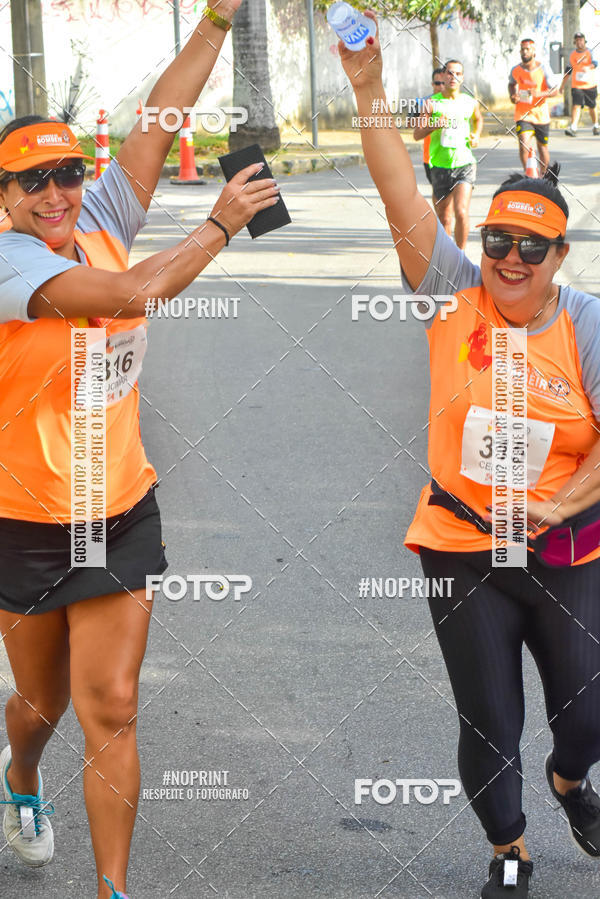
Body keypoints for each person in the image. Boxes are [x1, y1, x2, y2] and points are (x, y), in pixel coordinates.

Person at [0, 4, 280, 899]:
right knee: (41, 705)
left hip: (118, 505)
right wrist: (221, 224)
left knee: (113, 705)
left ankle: (113, 890)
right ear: (2, 195)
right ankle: (19, 775)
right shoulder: (11, 267)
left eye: (68, 173)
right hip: (27, 518)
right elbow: (125, 294)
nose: (57, 193)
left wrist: (214, 20)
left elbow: (161, 118)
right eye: (32, 179)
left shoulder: (100, 212)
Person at [340, 12, 600, 898]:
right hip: (463, 543)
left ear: (560, 255)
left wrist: (565, 504)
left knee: (586, 712)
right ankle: (510, 849)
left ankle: (571, 780)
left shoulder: (589, 324)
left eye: (532, 246)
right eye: (498, 240)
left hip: (569, 545)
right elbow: (399, 195)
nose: (511, 258)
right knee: (490, 715)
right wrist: (370, 92)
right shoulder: (453, 291)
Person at [413, 59, 482, 250]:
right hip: (439, 166)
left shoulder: (470, 102)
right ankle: (448, 258)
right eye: (450, 73)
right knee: (444, 218)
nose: (454, 77)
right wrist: (434, 125)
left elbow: (478, 119)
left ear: (462, 78)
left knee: (461, 211)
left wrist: (476, 134)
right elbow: (417, 134)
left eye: (458, 74)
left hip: (465, 164)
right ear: (443, 76)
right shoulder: (432, 103)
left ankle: (461, 258)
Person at [508, 38, 559, 174]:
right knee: (524, 143)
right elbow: (511, 84)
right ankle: (529, 175)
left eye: (527, 49)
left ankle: (543, 176)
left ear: (534, 51)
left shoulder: (543, 68)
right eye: (522, 49)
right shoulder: (516, 70)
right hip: (523, 114)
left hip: (541, 115)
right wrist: (513, 96)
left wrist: (538, 93)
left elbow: (554, 91)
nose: (524, 52)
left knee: (542, 148)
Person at [561, 31, 599, 137]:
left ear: (584, 41)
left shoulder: (590, 52)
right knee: (576, 106)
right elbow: (568, 70)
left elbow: (595, 63)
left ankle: (596, 125)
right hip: (577, 85)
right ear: (574, 42)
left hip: (590, 84)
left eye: (581, 40)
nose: (579, 43)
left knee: (592, 106)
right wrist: (562, 86)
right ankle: (573, 127)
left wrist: (588, 67)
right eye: (577, 41)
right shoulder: (573, 55)